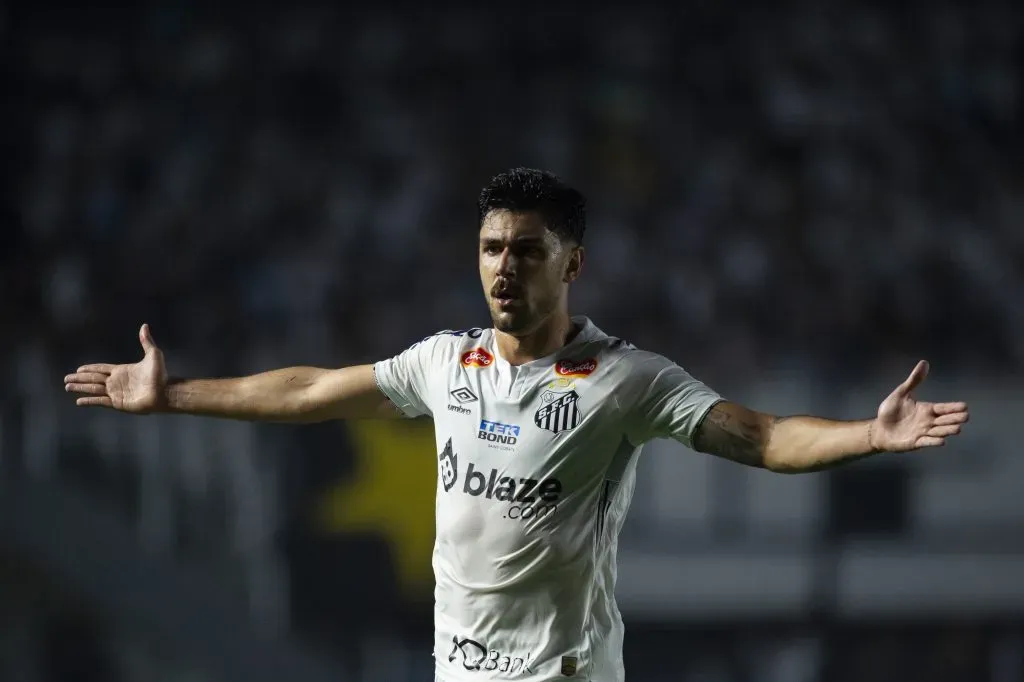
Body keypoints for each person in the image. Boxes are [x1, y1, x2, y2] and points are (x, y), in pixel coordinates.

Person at [64, 167, 970, 682]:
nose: (503, 268)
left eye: (527, 250)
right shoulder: (444, 363)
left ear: (573, 262)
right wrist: (172, 394)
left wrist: (868, 434)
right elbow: (307, 392)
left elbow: (763, 438)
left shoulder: (627, 379)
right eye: (492, 247)